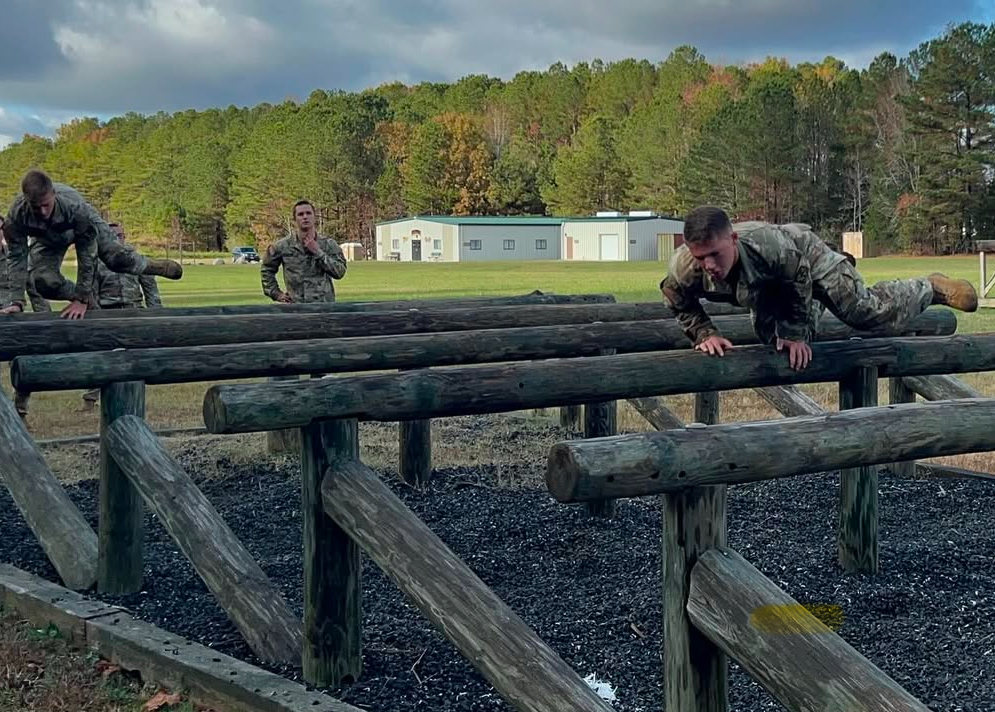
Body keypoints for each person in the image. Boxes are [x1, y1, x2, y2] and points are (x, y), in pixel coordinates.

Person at [660, 205, 978, 371]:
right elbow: (675, 296)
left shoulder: (769, 247)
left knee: (865, 312)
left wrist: (796, 332)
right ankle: (839, 271)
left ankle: (930, 287)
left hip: (805, 257)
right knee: (771, 340)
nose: (710, 265)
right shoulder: (686, 266)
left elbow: (799, 275)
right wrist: (704, 333)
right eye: (702, 257)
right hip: (770, 283)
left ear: (732, 239)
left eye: (716, 254)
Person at [0, 169, 182, 320]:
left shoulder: (76, 208)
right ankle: (90, 301)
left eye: (46, 205)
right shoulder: (16, 217)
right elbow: (17, 259)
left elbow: (87, 254)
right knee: (42, 282)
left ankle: (149, 265)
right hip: (49, 238)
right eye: (35, 207)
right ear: (25, 200)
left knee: (115, 259)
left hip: (82, 227)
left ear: (53, 194)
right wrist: (16, 302)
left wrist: (82, 298)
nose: (42, 211)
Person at [79, 222, 163, 411]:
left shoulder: (136, 259)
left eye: (120, 235)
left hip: (134, 310)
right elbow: (91, 291)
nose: (118, 239)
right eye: (113, 235)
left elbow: (150, 287)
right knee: (102, 357)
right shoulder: (97, 262)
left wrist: (156, 313)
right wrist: (97, 316)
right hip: (109, 311)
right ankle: (90, 400)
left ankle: (134, 396)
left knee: (135, 357)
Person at [260, 199, 347, 303]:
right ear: (294, 219)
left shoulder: (328, 244)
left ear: (314, 217)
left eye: (308, 213)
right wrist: (276, 294)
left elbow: (340, 272)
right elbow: (267, 270)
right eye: (300, 214)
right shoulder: (282, 246)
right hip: (296, 307)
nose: (305, 217)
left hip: (323, 306)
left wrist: (318, 252)